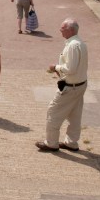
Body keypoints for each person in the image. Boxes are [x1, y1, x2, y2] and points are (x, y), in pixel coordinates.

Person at [36, 18, 88, 152]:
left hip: (71, 87)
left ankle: (51, 143)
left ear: (70, 30)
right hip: (80, 84)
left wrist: (56, 67)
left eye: (62, 28)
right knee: (74, 115)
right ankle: (72, 142)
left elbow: (71, 68)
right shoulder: (80, 43)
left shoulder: (72, 45)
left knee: (53, 111)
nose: (60, 30)